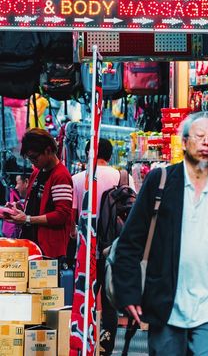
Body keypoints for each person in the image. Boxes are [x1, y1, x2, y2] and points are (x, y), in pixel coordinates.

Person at [111, 112, 208, 356]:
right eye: (199, 136)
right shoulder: (160, 181)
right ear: (184, 142)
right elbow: (130, 242)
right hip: (167, 307)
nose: (206, 142)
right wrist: (129, 292)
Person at [71, 138, 134, 356]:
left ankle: (83, 343)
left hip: (85, 249)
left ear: (88, 152)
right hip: (113, 249)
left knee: (84, 298)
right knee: (109, 304)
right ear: (109, 154)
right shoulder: (123, 177)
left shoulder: (77, 179)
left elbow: (73, 220)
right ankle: (106, 347)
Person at [4, 129, 73, 260]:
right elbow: (38, 206)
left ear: (48, 150)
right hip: (32, 245)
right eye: (30, 159)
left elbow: (62, 215)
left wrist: (27, 219)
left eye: (34, 157)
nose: (32, 162)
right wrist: (19, 209)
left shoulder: (61, 176)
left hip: (49, 251)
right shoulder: (37, 172)